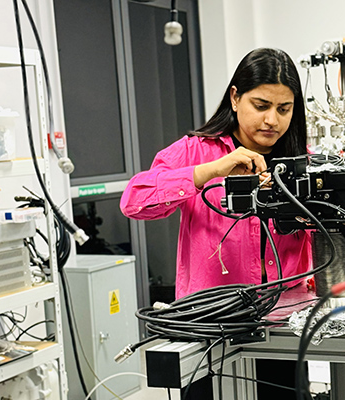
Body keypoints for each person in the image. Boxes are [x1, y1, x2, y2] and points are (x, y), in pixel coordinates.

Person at [120, 47, 310, 399]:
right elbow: (134, 201)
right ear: (235, 98)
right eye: (261, 105)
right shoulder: (196, 151)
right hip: (210, 328)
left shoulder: (302, 162)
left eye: (284, 109)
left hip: (281, 327)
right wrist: (210, 172)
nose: (272, 121)